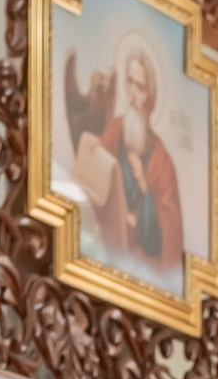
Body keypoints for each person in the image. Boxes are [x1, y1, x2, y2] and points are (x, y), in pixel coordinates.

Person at [69, 34, 184, 284]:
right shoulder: (115, 129)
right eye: (129, 82)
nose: (132, 94)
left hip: (139, 264)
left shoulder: (162, 161)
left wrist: (144, 186)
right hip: (106, 242)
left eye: (140, 87)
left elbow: (169, 234)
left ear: (151, 96)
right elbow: (93, 180)